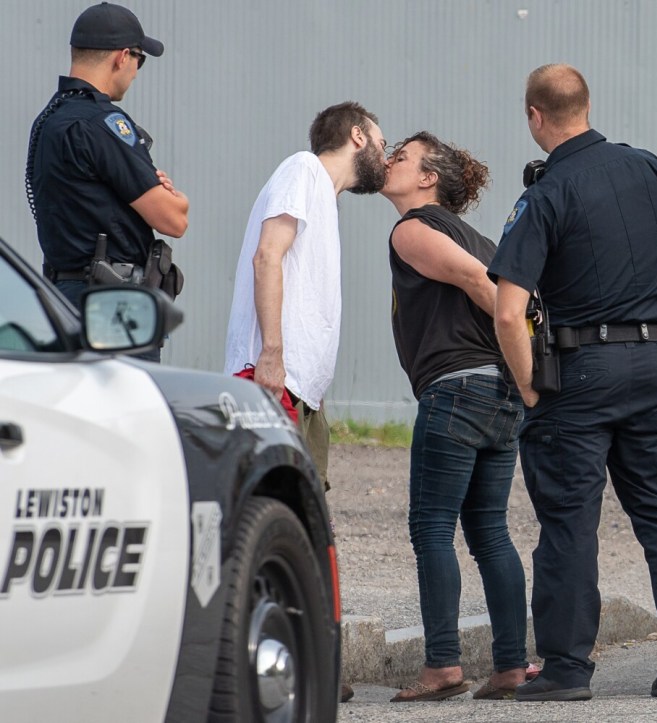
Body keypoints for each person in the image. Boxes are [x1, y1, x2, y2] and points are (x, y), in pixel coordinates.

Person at [490, 64, 657, 702]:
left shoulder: (546, 194)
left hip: (579, 375)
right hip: (654, 367)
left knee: (570, 522)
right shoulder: (647, 168)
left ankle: (566, 670)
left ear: (535, 116)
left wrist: (528, 386)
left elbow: (508, 312)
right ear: (587, 106)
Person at [223, 102, 387, 704]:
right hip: (275, 379)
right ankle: (296, 659)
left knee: (306, 521)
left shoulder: (322, 194)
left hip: (301, 387)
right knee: (279, 521)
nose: (386, 152)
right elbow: (268, 255)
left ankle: (315, 656)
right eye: (381, 140)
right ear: (357, 136)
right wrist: (271, 353)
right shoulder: (301, 169)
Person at [381, 132, 534, 702]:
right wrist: (523, 378)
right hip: (499, 394)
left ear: (428, 179)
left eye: (401, 157)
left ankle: (442, 665)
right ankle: (511, 666)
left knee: (432, 527)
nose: (389, 161)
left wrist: (522, 350)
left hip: (457, 390)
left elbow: (478, 284)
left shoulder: (412, 228)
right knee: (490, 532)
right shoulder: (481, 238)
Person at [26, 1, 189, 364]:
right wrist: (178, 198)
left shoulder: (49, 121)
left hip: (63, 298)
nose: (136, 73)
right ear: (122, 57)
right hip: (113, 308)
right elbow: (174, 220)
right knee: (125, 399)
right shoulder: (103, 124)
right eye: (139, 60)